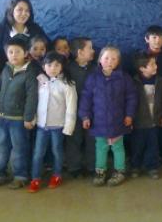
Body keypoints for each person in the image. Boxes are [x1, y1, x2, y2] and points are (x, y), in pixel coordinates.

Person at [78, 46, 137, 187]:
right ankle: (100, 171)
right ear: (100, 60)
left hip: (118, 121)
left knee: (118, 147)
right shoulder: (93, 78)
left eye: (113, 58)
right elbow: (86, 98)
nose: (109, 61)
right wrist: (85, 116)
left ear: (118, 61)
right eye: (106, 58)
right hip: (99, 122)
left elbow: (132, 97)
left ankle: (120, 171)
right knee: (101, 147)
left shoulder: (124, 78)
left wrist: (129, 115)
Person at [0, 36, 38, 190]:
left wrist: (28, 118)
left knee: (19, 148)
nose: (13, 55)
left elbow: (32, 98)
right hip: (3, 118)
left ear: (26, 53)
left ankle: (20, 175)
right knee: (1, 146)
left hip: (19, 120)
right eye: (10, 52)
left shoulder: (29, 73)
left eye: (17, 52)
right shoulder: (6, 69)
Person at [28, 52, 77, 193]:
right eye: (49, 65)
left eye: (57, 65)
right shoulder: (40, 81)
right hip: (42, 126)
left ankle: (57, 175)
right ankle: (35, 178)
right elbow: (34, 102)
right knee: (38, 153)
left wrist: (68, 127)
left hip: (58, 126)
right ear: (44, 66)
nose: (53, 68)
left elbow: (71, 107)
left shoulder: (67, 84)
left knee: (57, 151)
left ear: (62, 66)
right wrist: (32, 119)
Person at [130, 51, 162, 180]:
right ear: (142, 68)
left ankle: (152, 167)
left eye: (155, 63)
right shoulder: (134, 83)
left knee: (153, 146)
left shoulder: (160, 81)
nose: (156, 66)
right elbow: (129, 101)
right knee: (137, 145)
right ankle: (135, 166)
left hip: (154, 121)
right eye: (152, 64)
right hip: (139, 123)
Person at [142, 25, 162, 168]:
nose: (157, 41)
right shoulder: (141, 57)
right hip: (147, 99)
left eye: (160, 38)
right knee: (149, 129)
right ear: (147, 39)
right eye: (154, 37)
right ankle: (150, 157)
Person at [0, 0, 49, 64]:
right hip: (6, 72)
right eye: (20, 10)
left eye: (27, 10)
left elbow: (49, 46)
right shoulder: (1, 29)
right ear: (11, 11)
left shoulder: (35, 29)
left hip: (33, 71)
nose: (24, 13)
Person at [65, 37, 96, 178]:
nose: (93, 51)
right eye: (90, 48)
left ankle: (92, 166)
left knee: (92, 140)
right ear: (80, 52)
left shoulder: (95, 69)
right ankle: (74, 167)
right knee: (73, 140)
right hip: (73, 112)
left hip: (92, 112)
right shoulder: (68, 69)